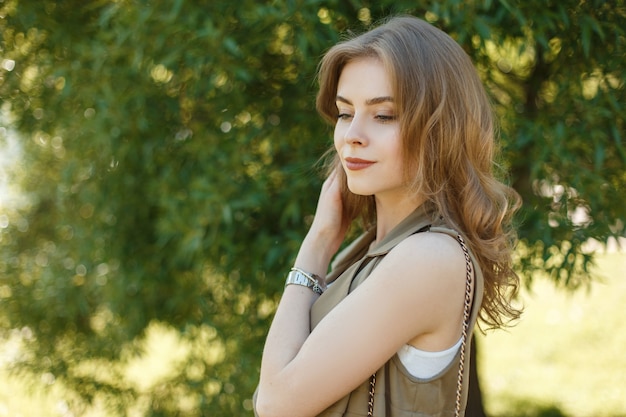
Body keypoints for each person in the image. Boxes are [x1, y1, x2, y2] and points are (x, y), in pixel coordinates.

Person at [254, 15, 521, 417]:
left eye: (384, 115)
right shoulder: (380, 250)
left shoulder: (429, 258)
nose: (352, 135)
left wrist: (317, 244)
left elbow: (274, 405)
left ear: (438, 128)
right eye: (345, 113)